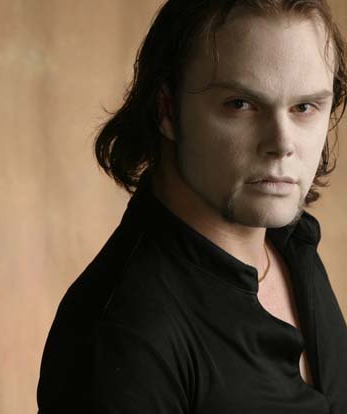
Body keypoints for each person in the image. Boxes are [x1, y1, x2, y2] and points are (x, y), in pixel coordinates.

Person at [37, 0, 347, 413]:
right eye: (240, 104)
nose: (282, 144)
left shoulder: (292, 244)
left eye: (304, 107)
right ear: (166, 110)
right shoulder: (127, 332)